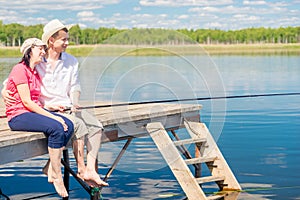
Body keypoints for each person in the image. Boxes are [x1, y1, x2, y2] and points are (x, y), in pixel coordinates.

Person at [2, 19, 108, 187]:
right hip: (46, 109)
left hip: (67, 106)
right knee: (75, 126)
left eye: (67, 39)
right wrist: (3, 90)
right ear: (51, 40)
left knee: (96, 126)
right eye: (63, 39)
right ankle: (60, 167)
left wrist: (74, 102)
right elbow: (13, 78)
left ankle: (90, 170)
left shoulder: (71, 61)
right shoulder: (38, 59)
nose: (67, 42)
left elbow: (75, 85)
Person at [4, 38, 74, 197]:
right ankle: (57, 175)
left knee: (68, 124)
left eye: (44, 49)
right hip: (18, 116)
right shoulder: (19, 69)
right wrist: (54, 118)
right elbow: (27, 102)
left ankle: (50, 166)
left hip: (31, 112)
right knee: (57, 127)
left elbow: (34, 101)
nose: (43, 52)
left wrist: (50, 109)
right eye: (40, 49)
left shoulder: (33, 71)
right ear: (29, 51)